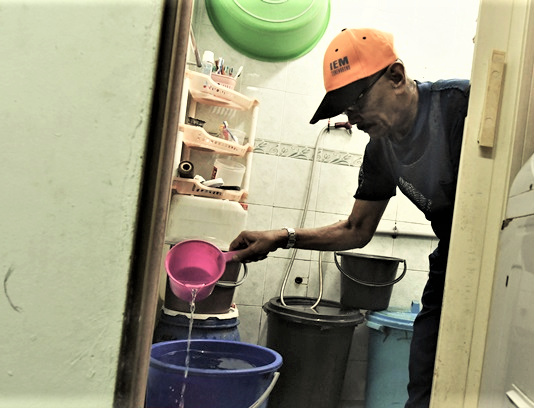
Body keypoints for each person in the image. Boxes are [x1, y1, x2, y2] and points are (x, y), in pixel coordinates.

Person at [229, 28, 470, 408]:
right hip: (451, 259)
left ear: (396, 76)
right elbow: (356, 230)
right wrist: (281, 237)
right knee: (425, 380)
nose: (352, 119)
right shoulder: (380, 151)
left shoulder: (461, 107)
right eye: (345, 109)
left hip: (503, 253)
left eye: (356, 101)